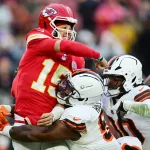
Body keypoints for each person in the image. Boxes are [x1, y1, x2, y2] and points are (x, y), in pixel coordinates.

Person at [0, 3, 108, 150]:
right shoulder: (36, 38)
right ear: (46, 24)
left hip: (51, 126)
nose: (68, 31)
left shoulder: (77, 59)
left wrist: (54, 114)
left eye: (70, 27)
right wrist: (97, 55)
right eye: (63, 26)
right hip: (25, 124)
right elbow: (16, 90)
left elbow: (70, 98)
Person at [0, 69, 142, 150]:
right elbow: (39, 110)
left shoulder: (80, 114)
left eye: (68, 88)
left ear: (83, 97)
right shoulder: (82, 102)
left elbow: (38, 134)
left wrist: (5, 129)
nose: (62, 88)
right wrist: (7, 109)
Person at [102, 55, 150, 150]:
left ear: (131, 78)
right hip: (127, 146)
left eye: (115, 79)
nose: (110, 82)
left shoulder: (140, 93)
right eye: (109, 78)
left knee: (128, 142)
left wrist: (126, 105)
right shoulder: (106, 96)